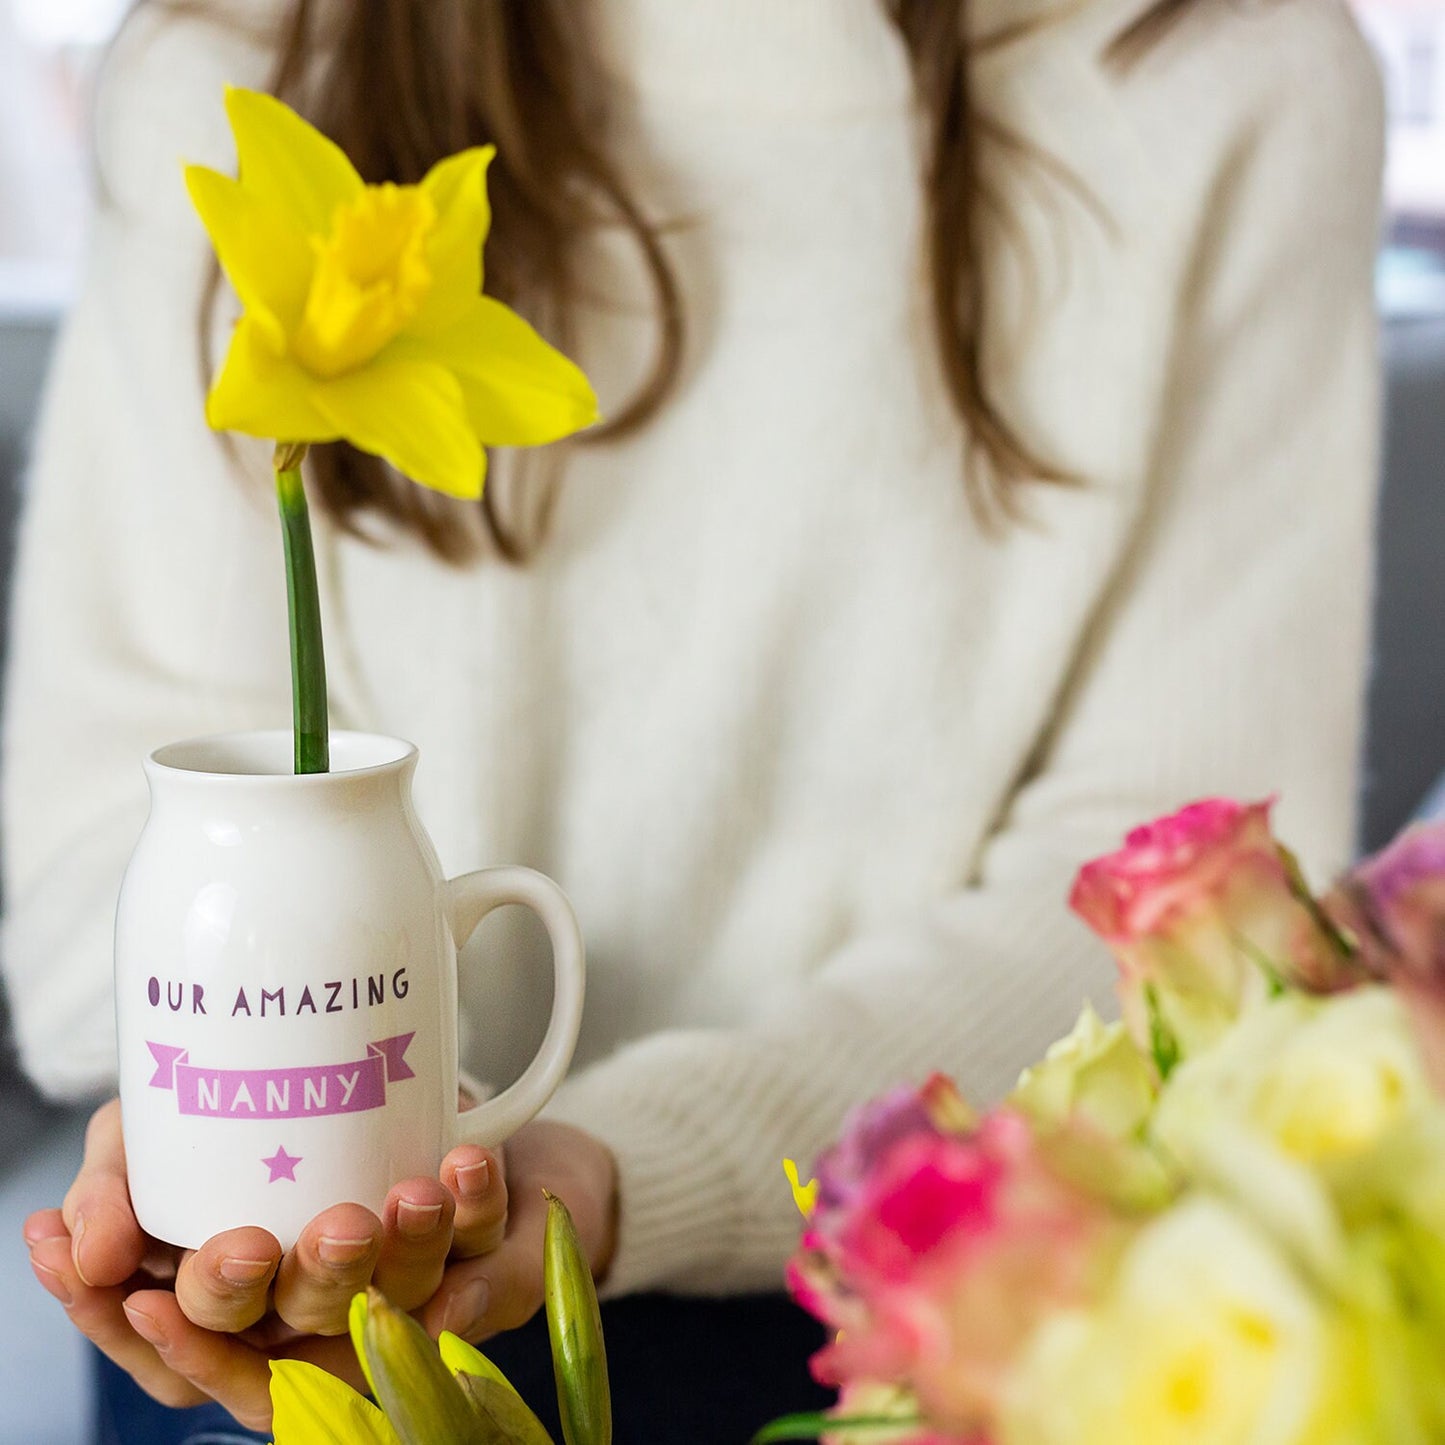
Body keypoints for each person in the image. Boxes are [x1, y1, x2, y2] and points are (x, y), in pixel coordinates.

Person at [6, 0, 1384, 1440]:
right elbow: (92, 883)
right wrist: (347, 1161)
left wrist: (613, 1164)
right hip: (294, 1282)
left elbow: (1185, 903)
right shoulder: (246, 63)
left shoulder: (1218, 75)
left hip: (907, 1295)